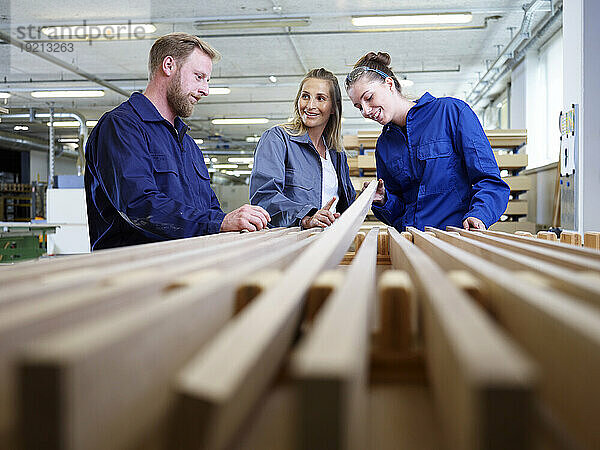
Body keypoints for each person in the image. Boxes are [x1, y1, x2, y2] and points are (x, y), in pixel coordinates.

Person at [85, 33, 270, 250]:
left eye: (207, 80)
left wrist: (235, 225)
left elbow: (209, 208)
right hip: (132, 272)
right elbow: (139, 207)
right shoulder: (121, 127)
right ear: (169, 65)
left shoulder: (188, 144)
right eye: (199, 77)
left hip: (184, 266)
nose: (205, 90)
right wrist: (219, 222)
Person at [345, 52, 509, 231]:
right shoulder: (384, 145)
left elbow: (490, 180)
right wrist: (384, 200)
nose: (365, 111)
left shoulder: (450, 112)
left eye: (369, 98)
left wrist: (479, 215)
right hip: (411, 242)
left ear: (389, 84)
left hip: (456, 237)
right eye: (359, 106)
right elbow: (398, 212)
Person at [249, 68, 356, 228]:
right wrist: (306, 217)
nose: (310, 105)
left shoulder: (336, 153)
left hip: (328, 242)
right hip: (289, 245)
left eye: (320, 98)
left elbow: (344, 205)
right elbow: (264, 198)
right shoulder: (278, 138)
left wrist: (368, 198)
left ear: (334, 107)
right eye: (305, 96)